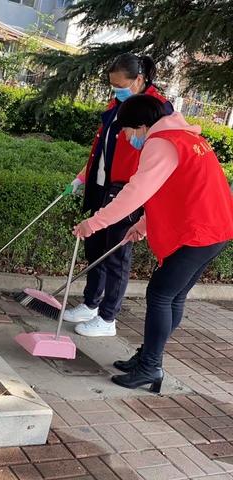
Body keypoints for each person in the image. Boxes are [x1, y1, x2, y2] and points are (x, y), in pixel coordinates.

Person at [73, 94, 233, 393]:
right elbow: (180, 189)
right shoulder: (183, 138)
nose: (129, 138)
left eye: (130, 132)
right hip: (215, 227)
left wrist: (93, 223)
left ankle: (150, 366)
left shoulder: (162, 143)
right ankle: (148, 358)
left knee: (160, 294)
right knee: (172, 296)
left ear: (143, 125)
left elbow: (136, 192)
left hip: (200, 231)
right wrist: (142, 226)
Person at [65, 53, 174, 338]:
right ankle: (91, 303)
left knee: (115, 252)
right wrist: (83, 175)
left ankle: (108, 317)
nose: (115, 90)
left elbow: (155, 161)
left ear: (139, 80)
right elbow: (101, 145)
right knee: (95, 246)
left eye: (120, 85)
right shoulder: (117, 104)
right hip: (103, 183)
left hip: (128, 187)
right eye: (112, 85)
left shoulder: (158, 108)